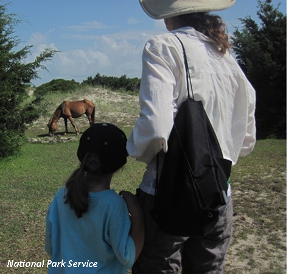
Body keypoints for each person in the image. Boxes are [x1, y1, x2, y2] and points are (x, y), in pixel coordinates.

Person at [127, 0, 257, 272]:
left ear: (167, 14)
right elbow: (246, 138)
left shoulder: (163, 47)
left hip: (166, 193)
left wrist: (134, 150)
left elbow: (155, 127)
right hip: (220, 194)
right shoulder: (225, 54)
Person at [45, 123, 145, 273]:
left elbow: (50, 246)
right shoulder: (113, 205)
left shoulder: (62, 195)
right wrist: (138, 216)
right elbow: (128, 258)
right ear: (120, 164)